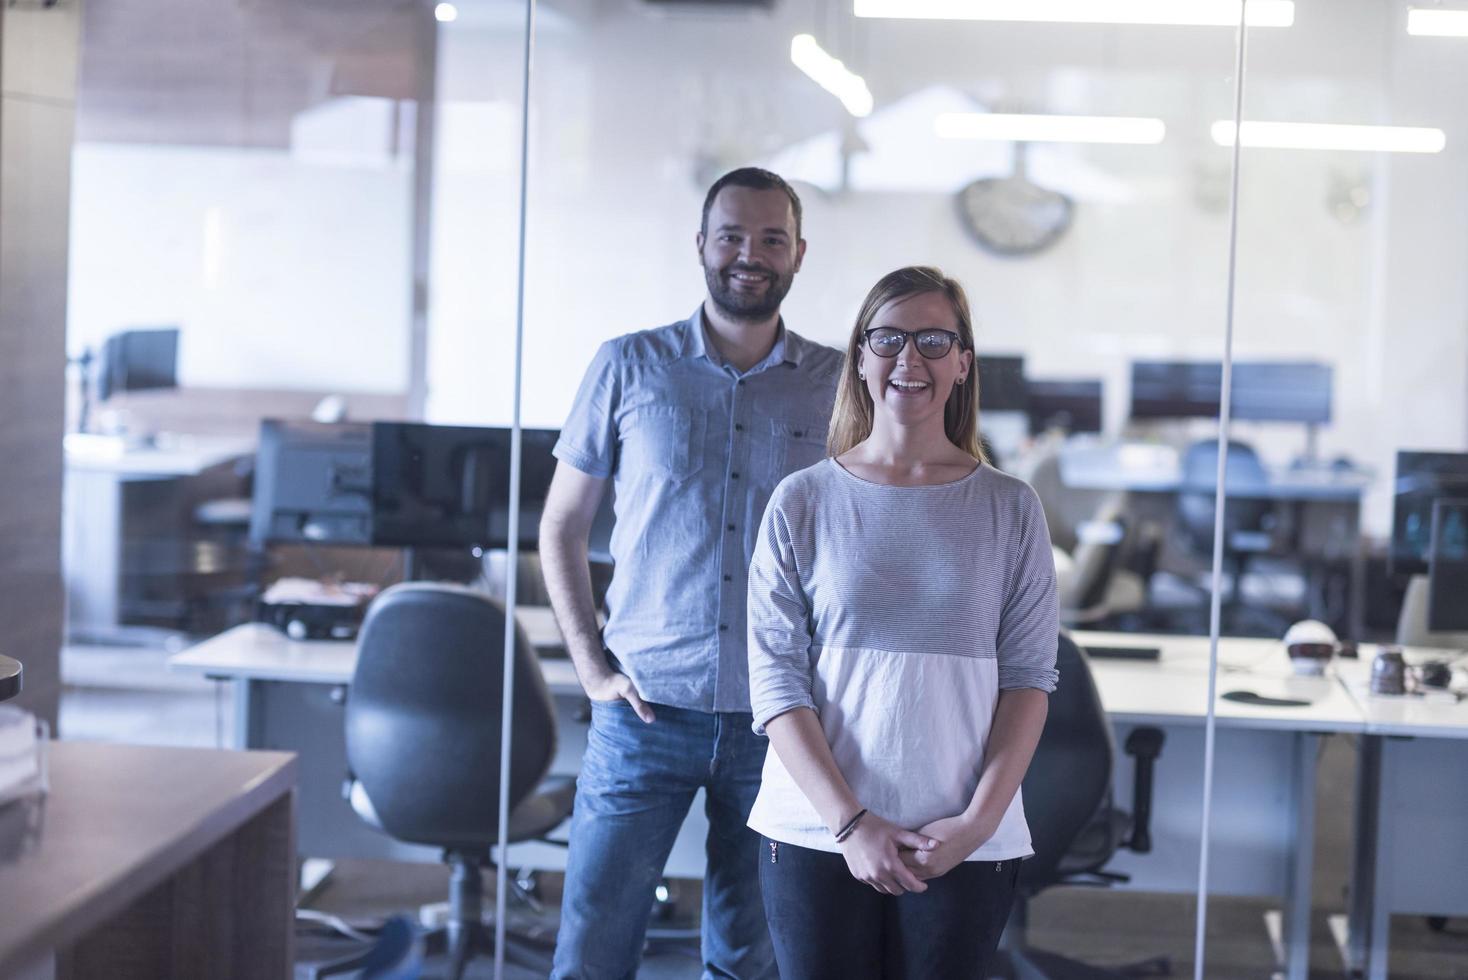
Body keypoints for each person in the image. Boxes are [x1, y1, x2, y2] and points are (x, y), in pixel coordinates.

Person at [540, 167, 844, 980]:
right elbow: (561, 524)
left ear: (799, 254)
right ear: (701, 247)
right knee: (594, 948)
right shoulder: (628, 365)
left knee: (752, 955)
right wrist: (589, 667)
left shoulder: (839, 384)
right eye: (733, 236)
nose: (751, 254)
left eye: (771, 239)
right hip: (643, 710)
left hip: (777, 719)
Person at [745, 265, 1060, 979]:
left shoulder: (1010, 508)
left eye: (932, 339)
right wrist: (852, 825)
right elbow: (775, 684)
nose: (908, 358)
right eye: (886, 337)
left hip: (960, 836)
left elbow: (1029, 681)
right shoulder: (803, 500)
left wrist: (976, 827)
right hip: (817, 831)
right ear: (859, 357)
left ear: (962, 362)